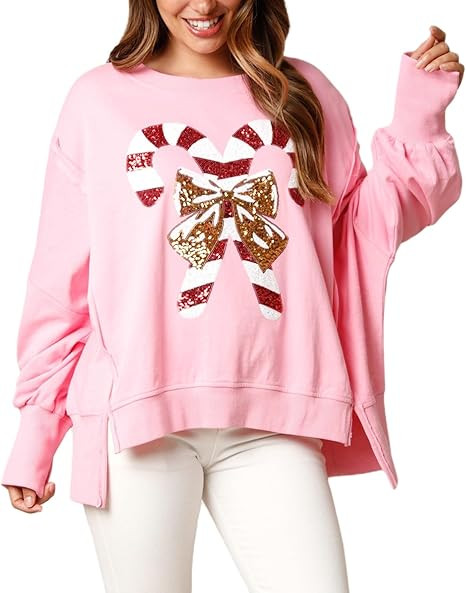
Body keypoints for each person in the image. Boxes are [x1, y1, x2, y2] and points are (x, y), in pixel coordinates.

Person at [2, 1, 463, 591]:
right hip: (136, 417)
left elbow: (363, 231)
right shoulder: (97, 101)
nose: (204, 5)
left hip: (274, 412)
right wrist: (37, 431)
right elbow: (60, 281)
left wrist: (419, 120)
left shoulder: (303, 93)